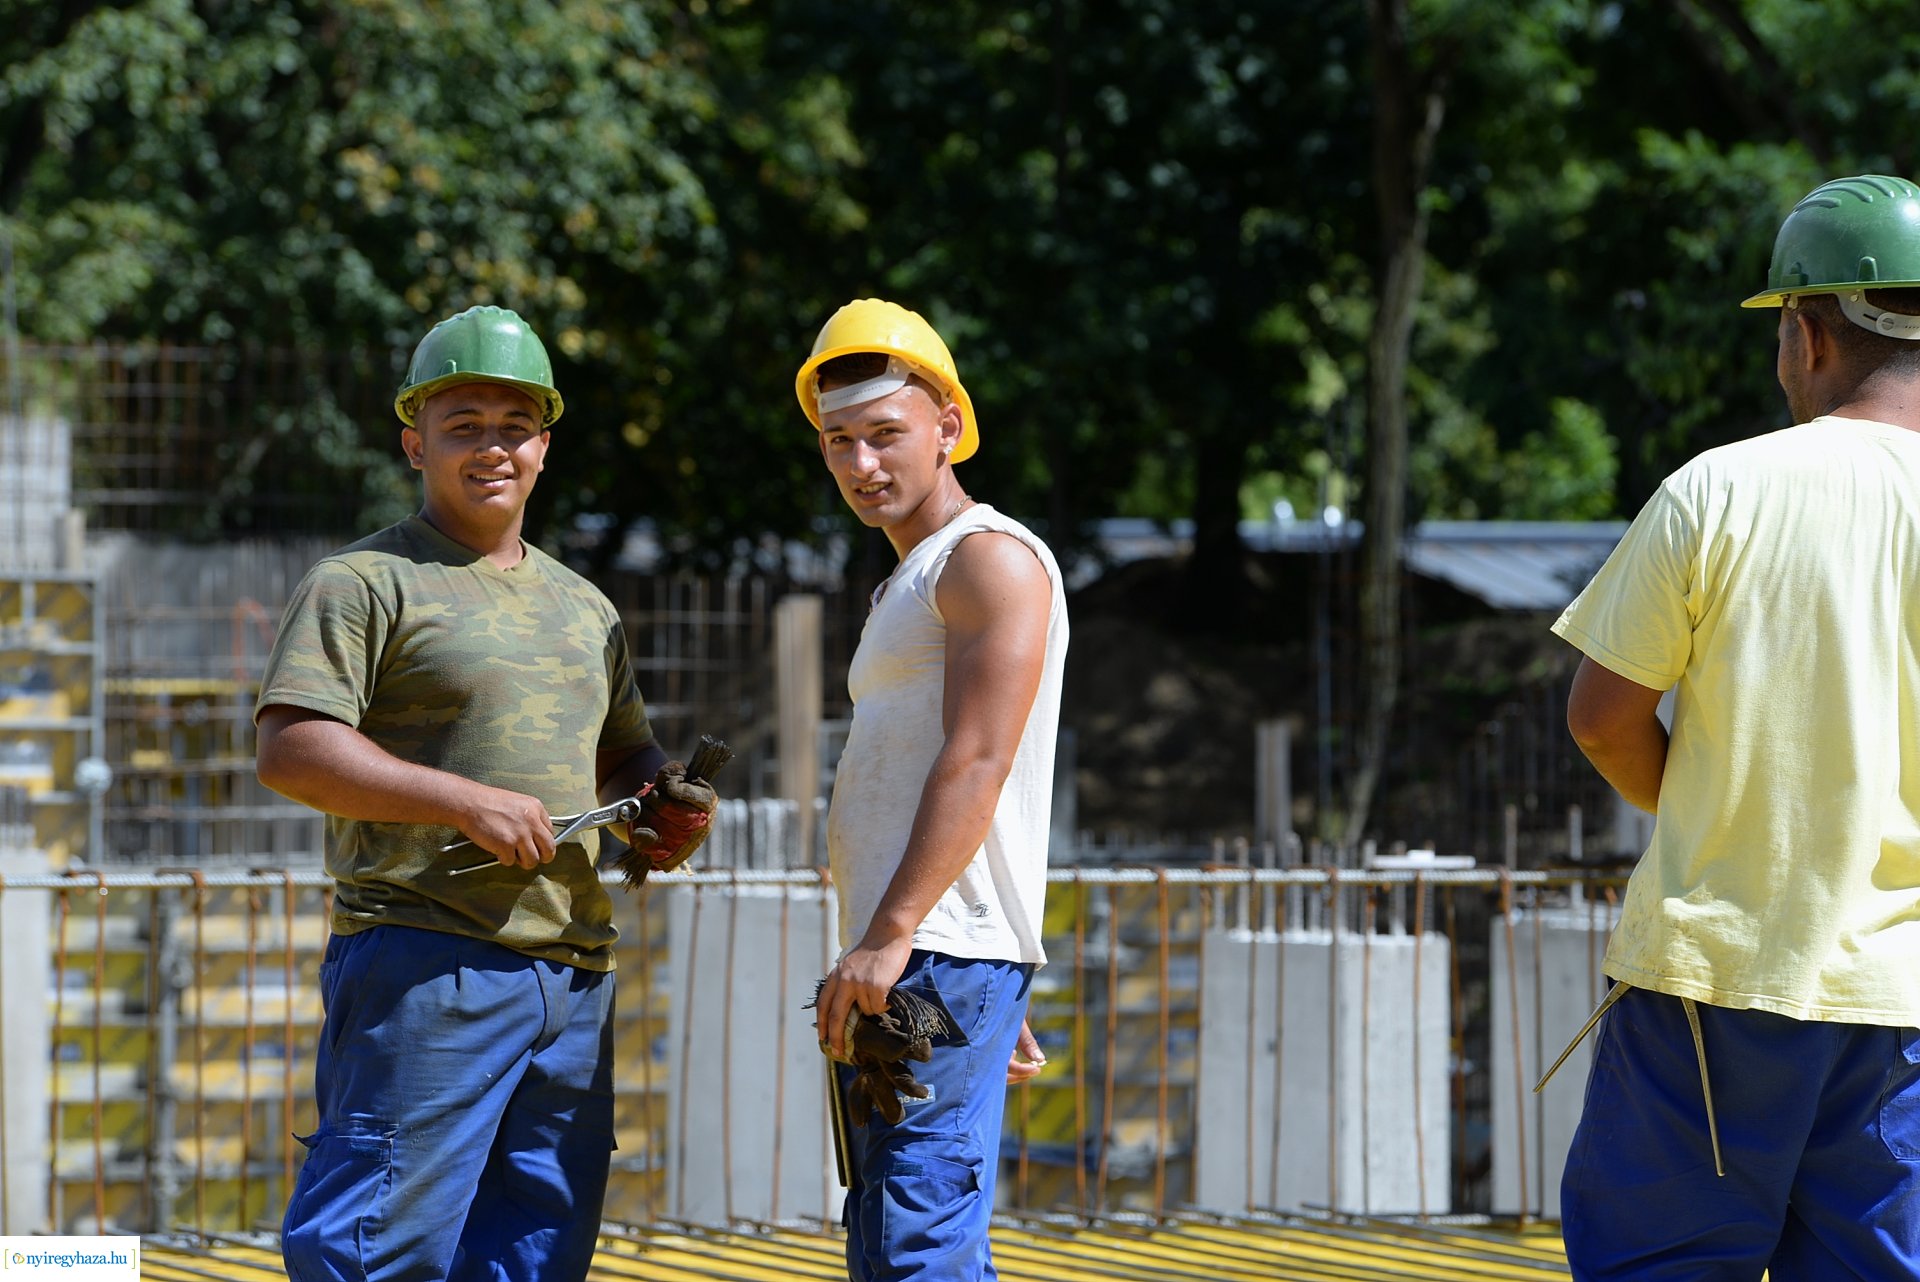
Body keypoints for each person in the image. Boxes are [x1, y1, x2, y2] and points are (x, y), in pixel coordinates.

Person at [255, 305, 712, 1282]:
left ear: (545, 445)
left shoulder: (584, 604)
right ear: (415, 442)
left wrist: (663, 804)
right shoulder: (364, 582)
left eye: (516, 425)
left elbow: (624, 753)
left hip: (573, 975)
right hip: (427, 963)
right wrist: (465, 802)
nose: (493, 446)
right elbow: (292, 748)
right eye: (464, 425)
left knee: (534, 1257)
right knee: (376, 1250)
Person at [1551, 174, 1920, 1279]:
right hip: (1904, 1004)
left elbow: (1603, 720)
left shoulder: (1721, 489)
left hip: (1713, 984)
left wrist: (1702, 809)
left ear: (1808, 332)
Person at [798, 298, 1068, 1280]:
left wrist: (902, 931)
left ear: (948, 425)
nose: (862, 463)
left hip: (927, 951)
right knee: (890, 1227)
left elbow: (978, 759)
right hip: (931, 956)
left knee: (916, 1232)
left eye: (885, 434)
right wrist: (974, 975)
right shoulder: (908, 581)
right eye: (839, 441)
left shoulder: (987, 559)